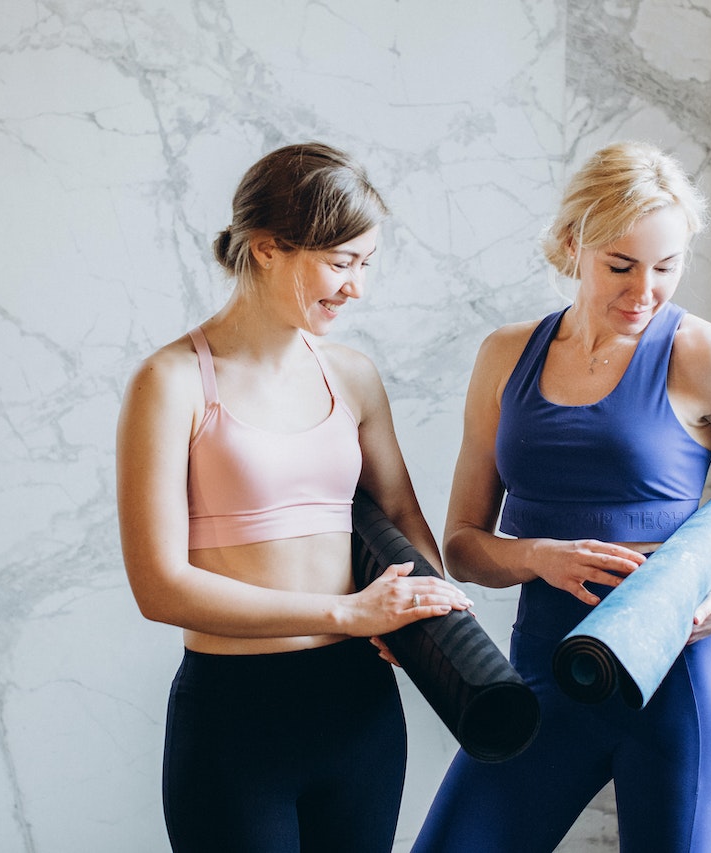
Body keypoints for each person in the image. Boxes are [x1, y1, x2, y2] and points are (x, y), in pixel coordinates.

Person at [412, 141, 711, 853]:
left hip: (677, 690)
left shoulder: (704, 354)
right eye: (620, 265)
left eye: (666, 268)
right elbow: (461, 544)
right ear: (572, 245)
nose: (643, 290)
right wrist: (538, 558)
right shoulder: (504, 356)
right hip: (542, 678)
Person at [116, 141, 472, 853]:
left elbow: (400, 515)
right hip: (234, 718)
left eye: (365, 264)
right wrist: (345, 611)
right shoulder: (171, 382)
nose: (356, 287)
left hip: (360, 709)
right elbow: (159, 586)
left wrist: (425, 617)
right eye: (340, 262)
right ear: (267, 247)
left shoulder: (353, 375)